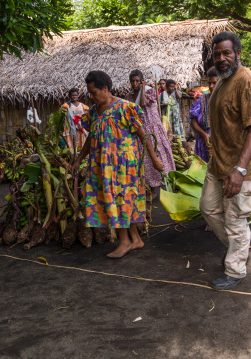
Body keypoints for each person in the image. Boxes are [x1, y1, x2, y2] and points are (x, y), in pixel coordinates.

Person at [72, 70, 164, 259]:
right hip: (102, 166)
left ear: (105, 88)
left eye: (94, 92)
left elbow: (143, 134)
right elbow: (91, 139)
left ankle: (124, 242)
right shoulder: (93, 114)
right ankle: (136, 239)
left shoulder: (125, 108)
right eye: (89, 93)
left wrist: (154, 159)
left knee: (122, 201)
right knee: (115, 201)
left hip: (123, 167)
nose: (91, 97)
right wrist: (79, 159)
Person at [199, 31, 251, 290]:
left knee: (235, 221)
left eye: (227, 53)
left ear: (238, 53)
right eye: (217, 54)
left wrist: (239, 169)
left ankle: (236, 271)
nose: (222, 58)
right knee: (207, 207)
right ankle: (238, 250)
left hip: (240, 168)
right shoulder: (223, 80)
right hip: (219, 164)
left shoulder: (245, 80)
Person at [126, 70, 176, 200]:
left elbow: (143, 103)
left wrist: (143, 87)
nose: (134, 83)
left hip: (152, 128)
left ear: (142, 81)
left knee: (157, 153)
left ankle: (165, 184)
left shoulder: (150, 91)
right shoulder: (129, 95)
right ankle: (150, 188)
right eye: (132, 81)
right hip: (139, 129)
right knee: (145, 158)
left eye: (137, 81)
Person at [189, 67, 218, 163]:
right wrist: (204, 135)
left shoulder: (227, 101)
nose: (211, 86)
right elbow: (193, 121)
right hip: (202, 143)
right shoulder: (202, 100)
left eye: (214, 83)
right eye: (210, 83)